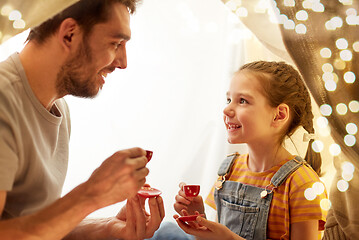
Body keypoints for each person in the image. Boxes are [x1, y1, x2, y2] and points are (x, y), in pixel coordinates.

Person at [0, 0, 165, 239]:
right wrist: (90, 194)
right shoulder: (4, 102)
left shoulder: (59, 109)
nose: (123, 63)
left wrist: (107, 227)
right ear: (70, 34)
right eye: (115, 43)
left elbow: (36, 227)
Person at [169, 61, 328, 240]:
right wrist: (199, 219)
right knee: (167, 231)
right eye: (228, 100)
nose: (227, 109)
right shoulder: (229, 169)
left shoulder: (302, 184)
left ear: (279, 115)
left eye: (242, 101)